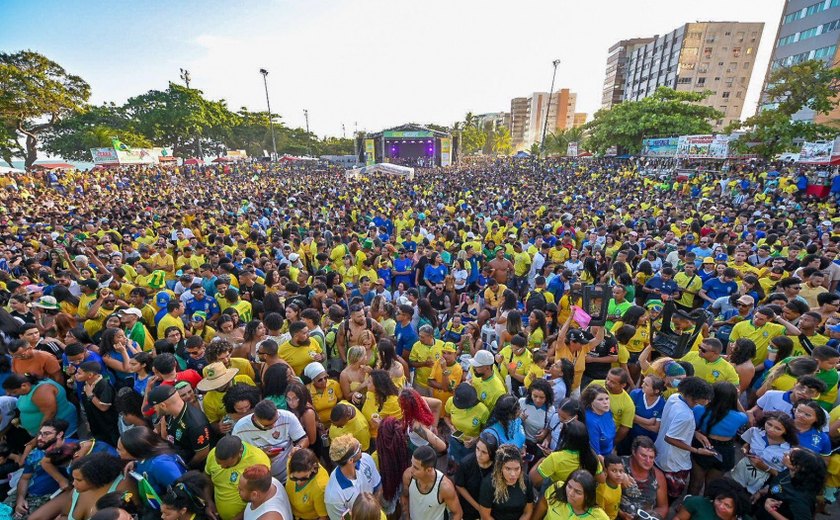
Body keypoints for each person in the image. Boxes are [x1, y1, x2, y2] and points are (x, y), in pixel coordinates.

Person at [653, 376, 714, 503]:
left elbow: (673, 425)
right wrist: (696, 450)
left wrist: (695, 433)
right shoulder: (685, 415)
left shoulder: (674, 398)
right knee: (670, 495)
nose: (708, 401)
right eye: (706, 398)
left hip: (660, 453)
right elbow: (670, 438)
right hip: (673, 462)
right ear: (695, 398)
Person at [687, 381, 748, 495]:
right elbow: (745, 416)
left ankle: (685, 506)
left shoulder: (699, 409)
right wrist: (736, 399)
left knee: (695, 483)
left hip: (703, 444)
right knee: (712, 485)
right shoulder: (739, 417)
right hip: (725, 451)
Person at [5, 419, 72, 518]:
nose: (40, 438)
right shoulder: (35, 453)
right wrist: (20, 499)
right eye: (40, 434)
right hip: (23, 493)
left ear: (59, 434)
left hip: (47, 497)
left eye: (46, 434)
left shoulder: (69, 451)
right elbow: (25, 478)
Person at [232, 399, 310, 483]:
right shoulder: (240, 429)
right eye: (267, 426)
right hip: (260, 481)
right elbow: (236, 457)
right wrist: (261, 454)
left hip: (288, 476)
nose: (273, 426)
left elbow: (304, 439)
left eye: (275, 421)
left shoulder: (288, 417)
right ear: (255, 418)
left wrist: (298, 447)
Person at [117, 426, 188, 508]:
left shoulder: (160, 465)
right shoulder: (144, 457)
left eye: (119, 449)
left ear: (134, 449)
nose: (117, 451)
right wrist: (135, 463)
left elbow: (182, 491)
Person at [205, 436, 273, 520]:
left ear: (239, 453)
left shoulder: (259, 462)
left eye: (227, 465)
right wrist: (208, 502)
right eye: (219, 463)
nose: (222, 467)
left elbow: (261, 496)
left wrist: (239, 518)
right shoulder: (212, 454)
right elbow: (206, 478)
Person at [146, 384, 211, 469]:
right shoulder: (169, 413)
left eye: (154, 406)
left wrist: (186, 467)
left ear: (163, 405)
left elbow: (202, 454)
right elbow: (164, 433)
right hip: (176, 455)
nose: (153, 410)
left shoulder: (196, 425)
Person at [753, 448, 827, 520]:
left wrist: (771, 510)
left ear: (799, 468)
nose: (785, 453)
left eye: (790, 456)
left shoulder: (800, 500)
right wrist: (762, 492)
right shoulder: (790, 472)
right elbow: (780, 486)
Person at [530, 420, 603, 490]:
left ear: (564, 438)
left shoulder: (555, 458)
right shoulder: (592, 455)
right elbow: (601, 479)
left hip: (556, 495)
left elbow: (533, 479)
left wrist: (542, 460)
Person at [324, 434, 382, 520]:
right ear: (350, 460)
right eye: (359, 448)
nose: (361, 449)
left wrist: (372, 513)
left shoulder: (366, 459)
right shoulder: (333, 496)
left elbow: (378, 488)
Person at [2, 373, 78, 438]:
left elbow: (50, 414)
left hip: (60, 427)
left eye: (14, 392)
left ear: (24, 385)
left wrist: (41, 434)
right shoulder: (28, 388)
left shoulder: (42, 391)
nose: (10, 395)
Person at [401, 445, 463, 520]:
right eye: (412, 464)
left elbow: (457, 513)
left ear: (429, 470)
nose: (411, 470)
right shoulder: (408, 476)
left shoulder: (445, 487)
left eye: (416, 468)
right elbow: (405, 497)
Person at [478, 444, 534, 520]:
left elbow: (528, 511)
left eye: (517, 469)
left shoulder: (526, 481)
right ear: (500, 468)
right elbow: (485, 516)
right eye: (508, 469)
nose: (513, 474)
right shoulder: (489, 484)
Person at [619, 437, 669, 520]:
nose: (648, 460)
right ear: (634, 452)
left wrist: (653, 518)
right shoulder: (620, 465)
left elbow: (663, 507)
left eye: (651, 457)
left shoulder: (658, 476)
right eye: (643, 455)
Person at [453, 432, 498, 520]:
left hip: (491, 508)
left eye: (484, 452)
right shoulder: (466, 463)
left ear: (492, 453)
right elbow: (459, 485)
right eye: (477, 449)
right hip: (470, 507)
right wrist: (478, 508)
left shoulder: (497, 465)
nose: (479, 454)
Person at [534, 469, 610, 520]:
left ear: (588, 496)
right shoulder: (557, 489)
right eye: (569, 486)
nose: (570, 493)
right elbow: (543, 504)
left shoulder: (599, 517)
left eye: (578, 492)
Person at [74, 360, 119, 446]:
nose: (76, 375)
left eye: (79, 373)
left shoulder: (104, 385)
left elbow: (104, 407)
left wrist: (90, 395)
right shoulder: (87, 383)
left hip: (108, 425)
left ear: (90, 375)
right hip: (95, 422)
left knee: (111, 443)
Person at [675, 477, 751, 520]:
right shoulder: (696, 503)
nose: (721, 506)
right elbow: (679, 518)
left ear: (737, 509)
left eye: (727, 505)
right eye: (719, 500)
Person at [284, 448, 329, 520]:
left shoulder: (320, 487)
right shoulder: (292, 463)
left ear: (314, 468)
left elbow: (323, 517)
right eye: (294, 478)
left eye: (304, 478)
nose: (298, 482)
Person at [581, 384, 616, 457]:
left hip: (610, 453)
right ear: (591, 402)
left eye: (607, 398)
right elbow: (595, 453)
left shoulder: (607, 412)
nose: (605, 402)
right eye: (600, 399)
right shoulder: (591, 422)